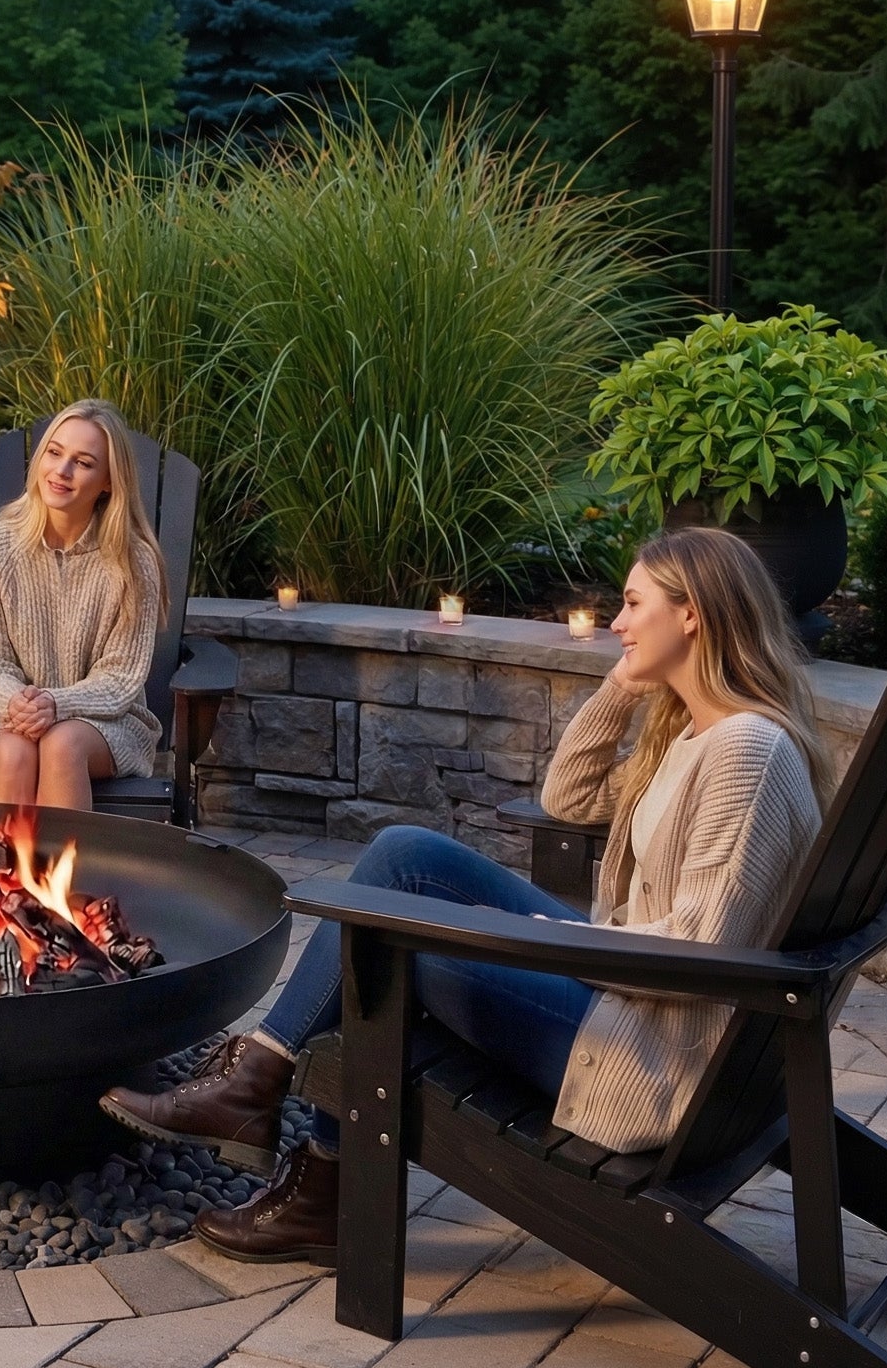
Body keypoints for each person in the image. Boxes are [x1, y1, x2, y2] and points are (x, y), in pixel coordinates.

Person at [104, 526, 827, 1262]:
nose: (615, 624)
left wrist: (535, 945)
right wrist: (624, 681)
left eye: (633, 605)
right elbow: (570, 795)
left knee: (382, 944)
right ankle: (261, 1091)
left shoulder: (745, 754)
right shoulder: (699, 734)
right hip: (630, 1003)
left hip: (643, 1055)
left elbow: (699, 954)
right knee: (403, 857)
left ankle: (283, 1134)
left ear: (693, 615)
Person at [0, 400, 166, 811]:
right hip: (6, 715)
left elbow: (121, 676)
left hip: (108, 722)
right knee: (16, 751)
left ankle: (65, 877)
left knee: (62, 743)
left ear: (108, 481)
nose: (62, 471)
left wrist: (58, 705)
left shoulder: (133, 562)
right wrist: (19, 705)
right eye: (54, 453)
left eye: (83, 462)